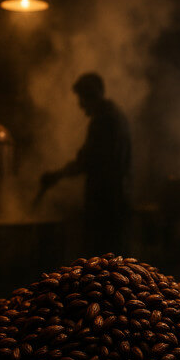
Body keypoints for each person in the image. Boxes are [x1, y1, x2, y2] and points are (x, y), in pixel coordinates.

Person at [39, 73, 132, 254]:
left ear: (92, 95)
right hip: (118, 201)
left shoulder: (105, 120)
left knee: (103, 262)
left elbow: (87, 160)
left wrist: (56, 175)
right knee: (116, 262)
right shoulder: (117, 116)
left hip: (106, 206)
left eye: (81, 98)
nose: (80, 105)